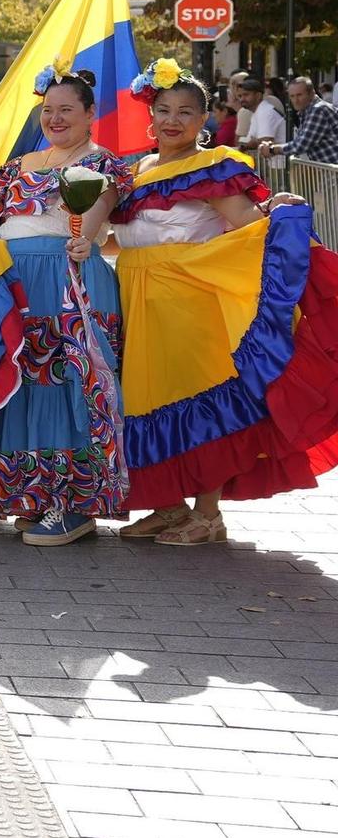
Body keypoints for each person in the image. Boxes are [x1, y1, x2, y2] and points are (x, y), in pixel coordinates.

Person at [112, 60, 338, 545]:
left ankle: (208, 513)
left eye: (186, 111)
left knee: (203, 401)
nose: (173, 120)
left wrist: (279, 215)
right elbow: (127, 239)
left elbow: (248, 225)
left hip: (191, 304)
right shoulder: (134, 173)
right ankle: (169, 506)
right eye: (164, 110)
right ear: (150, 117)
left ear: (204, 119)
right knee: (149, 403)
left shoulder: (212, 166)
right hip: (140, 303)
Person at [0, 63, 131, 546]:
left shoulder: (101, 163)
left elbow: (93, 216)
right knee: (22, 382)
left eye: (66, 109)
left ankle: (72, 504)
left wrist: (83, 238)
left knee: (67, 382)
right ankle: (34, 493)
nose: (55, 118)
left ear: (91, 113)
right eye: (48, 110)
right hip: (15, 283)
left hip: (65, 281)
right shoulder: (21, 164)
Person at [260, 76, 338, 164]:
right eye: (292, 96)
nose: (295, 100)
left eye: (299, 95)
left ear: (311, 93)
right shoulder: (308, 111)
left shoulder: (318, 110)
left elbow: (301, 145)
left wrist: (272, 149)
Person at [232, 72, 286, 152]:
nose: (242, 99)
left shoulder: (265, 111)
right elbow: (250, 140)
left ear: (258, 96)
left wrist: (245, 144)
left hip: (286, 162)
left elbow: (265, 141)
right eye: (240, 96)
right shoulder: (257, 112)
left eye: (246, 95)